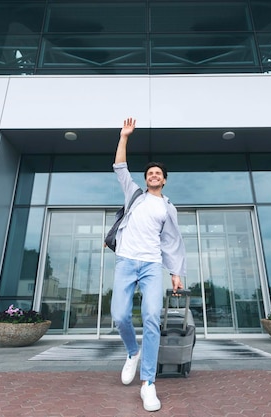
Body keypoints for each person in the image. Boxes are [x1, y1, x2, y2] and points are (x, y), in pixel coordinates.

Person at [111, 117, 187, 412]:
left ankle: (148, 384)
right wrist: (124, 137)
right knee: (119, 316)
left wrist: (176, 272)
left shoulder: (168, 208)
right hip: (126, 262)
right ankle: (133, 351)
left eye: (158, 173)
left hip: (152, 266)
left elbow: (172, 242)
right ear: (146, 179)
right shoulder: (136, 196)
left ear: (164, 179)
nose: (154, 175)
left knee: (152, 317)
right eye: (150, 173)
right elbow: (120, 167)